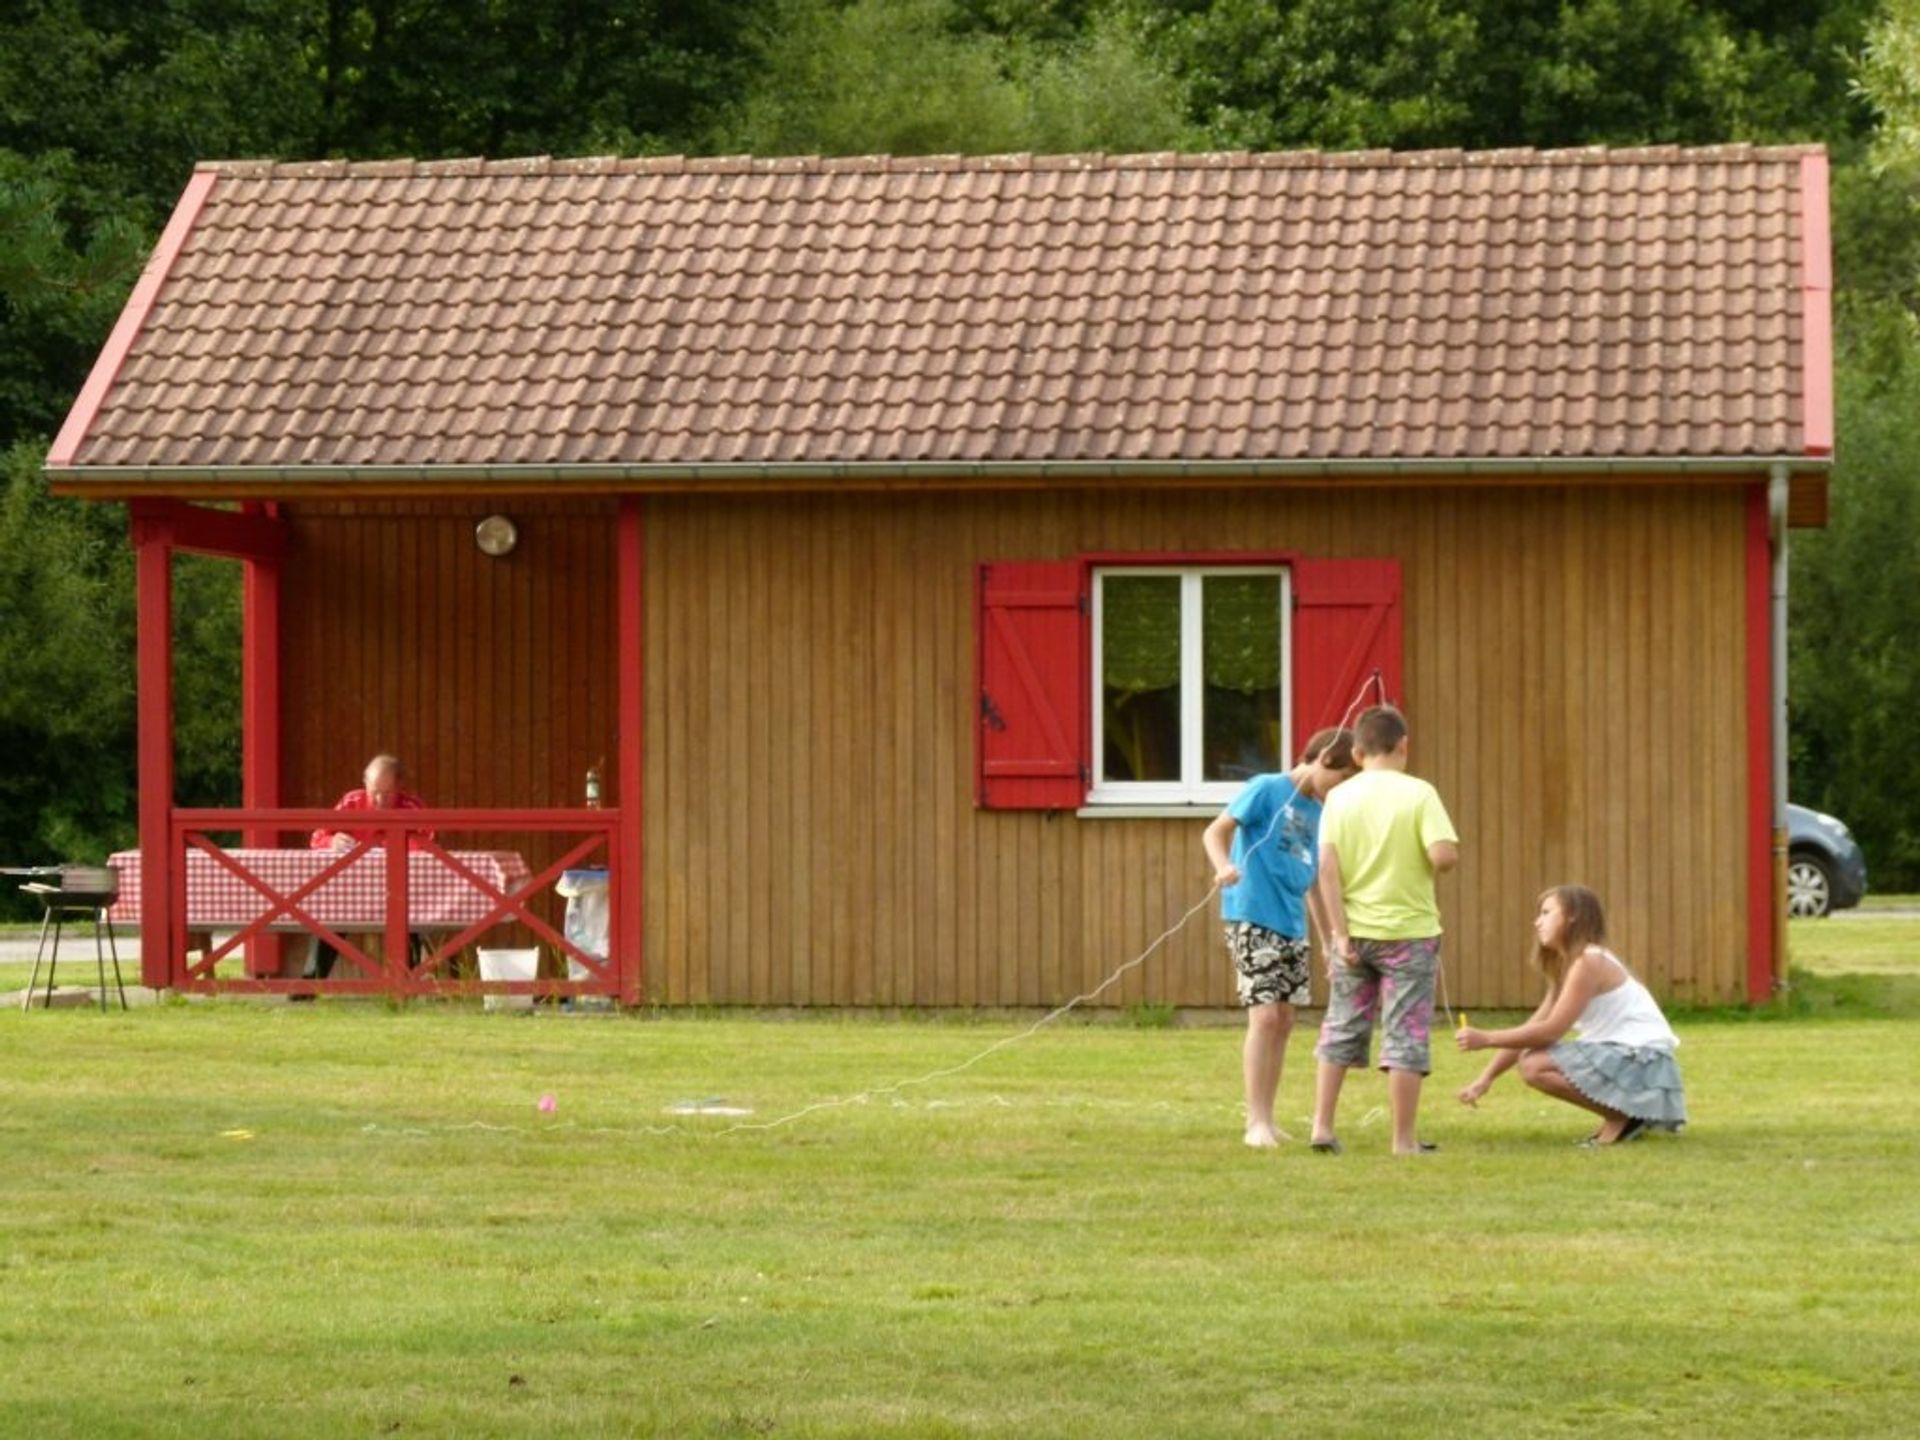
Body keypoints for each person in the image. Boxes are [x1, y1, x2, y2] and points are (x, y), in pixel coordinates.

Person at [1310, 704, 1459, 1156]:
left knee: (1341, 1025)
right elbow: (1443, 856)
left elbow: (1328, 869)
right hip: (1409, 933)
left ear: (1356, 753)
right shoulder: (1420, 794)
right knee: (1405, 1032)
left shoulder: (1338, 798)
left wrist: (1338, 933)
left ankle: (1321, 1126)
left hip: (1353, 934)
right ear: (1404, 746)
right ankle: (1403, 1140)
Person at [1202, 727, 1358, 1148]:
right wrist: (1222, 867)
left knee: (1285, 1020)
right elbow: (1214, 832)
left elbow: (1311, 882)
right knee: (1266, 1015)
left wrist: (1327, 938)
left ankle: (1268, 1118)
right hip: (1251, 915)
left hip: (1291, 924)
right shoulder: (1266, 788)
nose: (1340, 789)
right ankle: (1255, 1122)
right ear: (1324, 758)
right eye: (1341, 778)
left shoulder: (1319, 811)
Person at [1456, 885, 1687, 1145]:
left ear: (1573, 915)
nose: (1537, 922)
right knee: (1532, 1059)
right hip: (1624, 1055)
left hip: (1642, 1060)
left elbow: (1552, 1031)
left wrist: (1486, 1038)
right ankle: (1628, 1115)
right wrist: (1485, 1079)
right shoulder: (1568, 966)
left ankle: (1625, 1116)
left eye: (1546, 913)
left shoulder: (1589, 962)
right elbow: (1534, 1027)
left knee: (1535, 1065)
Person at [299, 755, 434, 985]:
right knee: (329, 914)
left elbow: (426, 843)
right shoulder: (351, 802)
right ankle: (309, 985)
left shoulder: (412, 808)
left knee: (412, 917)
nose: (380, 800)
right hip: (352, 892)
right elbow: (317, 836)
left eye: (387, 793)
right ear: (364, 785)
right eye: (374, 792)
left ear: (400, 787)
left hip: (400, 892)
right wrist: (331, 841)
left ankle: (404, 986)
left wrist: (394, 846)